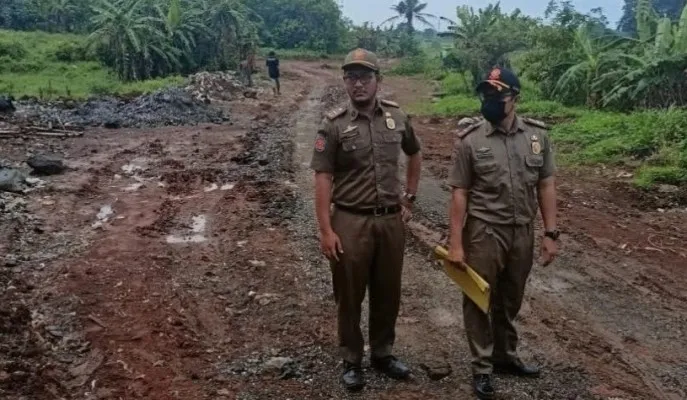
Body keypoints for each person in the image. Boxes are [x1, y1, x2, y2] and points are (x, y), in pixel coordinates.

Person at [309, 48, 423, 392]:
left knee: (388, 291)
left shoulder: (397, 118)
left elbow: (414, 153)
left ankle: (383, 353)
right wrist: (326, 230)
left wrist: (410, 197)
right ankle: (352, 359)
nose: (358, 84)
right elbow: (322, 178)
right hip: (350, 220)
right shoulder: (333, 124)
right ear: (345, 81)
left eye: (365, 77)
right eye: (351, 77)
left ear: (378, 81)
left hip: (390, 222)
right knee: (349, 292)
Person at [446, 67, 559, 400]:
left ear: (515, 97)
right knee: (479, 298)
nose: (491, 101)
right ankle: (481, 367)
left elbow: (546, 184)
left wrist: (551, 232)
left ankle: (504, 356)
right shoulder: (472, 140)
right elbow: (459, 193)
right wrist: (455, 243)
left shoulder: (537, 137)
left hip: (522, 230)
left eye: (498, 95)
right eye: (486, 95)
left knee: (511, 297)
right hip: (484, 231)